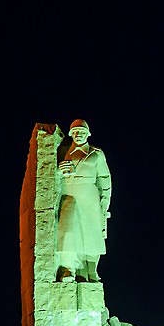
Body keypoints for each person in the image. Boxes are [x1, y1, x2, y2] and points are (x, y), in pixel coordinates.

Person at [55, 119, 112, 282]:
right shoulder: (62, 152)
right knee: (67, 232)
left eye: (81, 131)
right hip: (69, 195)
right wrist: (59, 172)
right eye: (75, 131)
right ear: (71, 134)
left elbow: (104, 179)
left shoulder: (96, 153)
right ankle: (68, 269)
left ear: (88, 133)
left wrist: (104, 203)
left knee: (91, 234)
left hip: (90, 197)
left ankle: (91, 270)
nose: (78, 134)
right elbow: (50, 177)